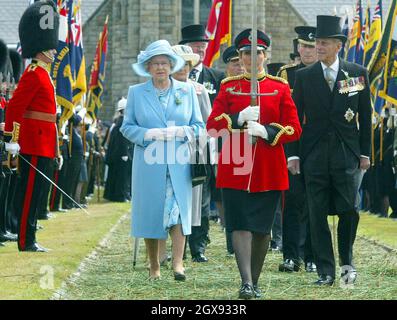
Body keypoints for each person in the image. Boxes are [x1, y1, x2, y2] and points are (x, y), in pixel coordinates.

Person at [206, 29, 301, 299]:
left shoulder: (279, 87)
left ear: (265, 55)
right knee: (239, 224)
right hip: (235, 163)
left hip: (268, 166)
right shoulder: (228, 87)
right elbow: (212, 126)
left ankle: (255, 280)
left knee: (262, 228)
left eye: (256, 53)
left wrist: (268, 132)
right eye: (245, 53)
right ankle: (245, 282)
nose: (251, 57)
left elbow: (294, 128)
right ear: (240, 56)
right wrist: (237, 118)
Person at [291, 15, 372, 286]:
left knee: (350, 210)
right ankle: (325, 272)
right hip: (313, 155)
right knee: (316, 213)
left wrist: (365, 153)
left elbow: (364, 114)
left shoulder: (357, 73)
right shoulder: (304, 77)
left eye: (324, 43)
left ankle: (347, 266)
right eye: (317, 43)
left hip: (346, 154)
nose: (319, 47)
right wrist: (293, 155)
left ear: (339, 45)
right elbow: (294, 118)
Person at [120, 40, 204, 281]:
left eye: (164, 63)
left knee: (178, 212)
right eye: (155, 63)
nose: (160, 68)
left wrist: (182, 132)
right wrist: (147, 135)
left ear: (171, 66)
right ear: (148, 67)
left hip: (179, 162)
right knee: (152, 212)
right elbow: (126, 127)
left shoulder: (186, 91)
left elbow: (199, 126)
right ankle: (154, 265)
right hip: (149, 163)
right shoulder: (136, 92)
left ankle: (178, 263)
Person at [3, 0, 60, 252]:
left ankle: (31, 236)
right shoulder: (34, 73)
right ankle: (25, 241)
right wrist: (13, 138)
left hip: (45, 141)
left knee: (37, 194)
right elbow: (15, 107)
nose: (54, 51)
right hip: (35, 142)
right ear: (41, 50)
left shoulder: (44, 73)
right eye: (50, 47)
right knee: (28, 195)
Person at [180, 24, 225, 262]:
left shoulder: (216, 77)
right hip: (177, 147)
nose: (200, 50)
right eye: (195, 46)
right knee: (178, 196)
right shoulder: (172, 78)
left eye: (203, 46)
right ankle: (178, 243)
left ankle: (198, 245)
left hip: (203, 148)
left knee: (202, 197)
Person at [277, 26, 318, 273]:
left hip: (316, 144)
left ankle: (312, 255)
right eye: (303, 46)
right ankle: (291, 255)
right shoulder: (287, 74)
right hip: (293, 144)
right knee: (291, 202)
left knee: (315, 203)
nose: (307, 51)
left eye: (312, 47)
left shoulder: (326, 74)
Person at [104, 97, 132, 202]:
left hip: (121, 153)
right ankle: (120, 196)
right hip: (121, 154)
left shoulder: (121, 121)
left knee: (120, 176)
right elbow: (122, 140)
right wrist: (124, 153)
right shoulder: (122, 122)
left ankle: (121, 195)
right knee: (121, 177)